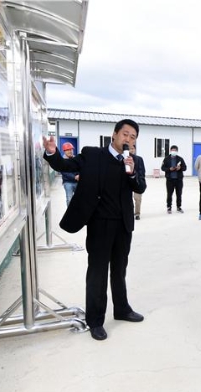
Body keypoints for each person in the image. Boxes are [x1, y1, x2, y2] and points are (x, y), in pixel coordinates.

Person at [42, 119, 147, 341]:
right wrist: (52, 153)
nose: (128, 139)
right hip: (100, 224)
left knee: (119, 270)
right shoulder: (92, 155)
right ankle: (95, 320)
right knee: (97, 272)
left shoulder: (135, 160)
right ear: (114, 134)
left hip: (123, 225)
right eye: (125, 134)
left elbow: (140, 187)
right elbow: (65, 166)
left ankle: (122, 309)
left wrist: (131, 173)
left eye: (133, 137)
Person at [161, 145, 187, 214]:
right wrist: (169, 169)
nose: (174, 152)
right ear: (170, 150)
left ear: (177, 151)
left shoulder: (180, 159)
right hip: (170, 180)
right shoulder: (166, 159)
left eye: (175, 150)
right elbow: (162, 168)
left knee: (179, 194)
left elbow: (185, 167)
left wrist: (180, 168)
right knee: (169, 194)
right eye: (173, 150)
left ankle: (179, 207)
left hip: (179, 180)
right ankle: (169, 207)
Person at [130, 144, 145, 220]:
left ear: (135, 150)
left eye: (133, 148)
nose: (131, 150)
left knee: (137, 198)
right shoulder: (124, 158)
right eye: (130, 148)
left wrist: (140, 179)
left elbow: (142, 170)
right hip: (127, 182)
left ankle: (137, 213)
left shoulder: (139, 159)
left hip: (137, 181)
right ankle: (128, 212)